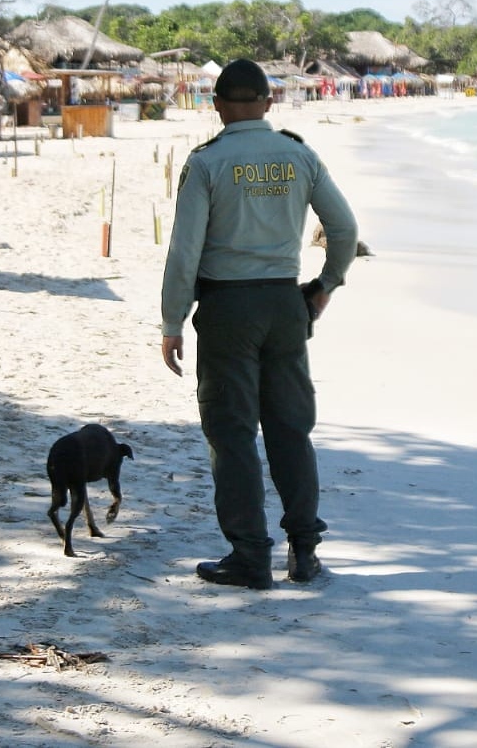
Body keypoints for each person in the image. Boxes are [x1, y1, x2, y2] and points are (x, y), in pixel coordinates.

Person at [160, 59, 359, 589]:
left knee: (232, 433)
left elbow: (185, 251)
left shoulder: (207, 162)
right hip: (284, 303)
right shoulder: (298, 153)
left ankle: (250, 555)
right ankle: (304, 551)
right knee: (291, 429)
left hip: (228, 308)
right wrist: (325, 286)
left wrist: (172, 319)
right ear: (270, 104)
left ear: (217, 106)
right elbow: (344, 228)